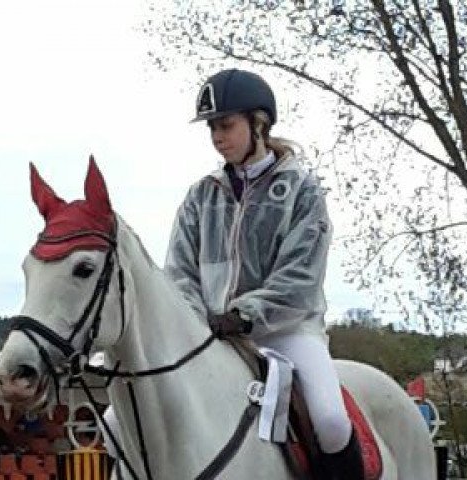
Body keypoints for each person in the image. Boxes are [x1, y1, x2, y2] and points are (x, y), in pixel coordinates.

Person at [165, 68, 365, 480]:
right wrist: (197, 318)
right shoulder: (201, 194)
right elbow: (180, 270)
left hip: (286, 330)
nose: (217, 136)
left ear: (259, 123)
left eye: (226, 125)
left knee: (330, 422)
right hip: (214, 334)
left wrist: (245, 315)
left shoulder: (302, 189)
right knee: (122, 420)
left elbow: (300, 277)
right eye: (212, 129)